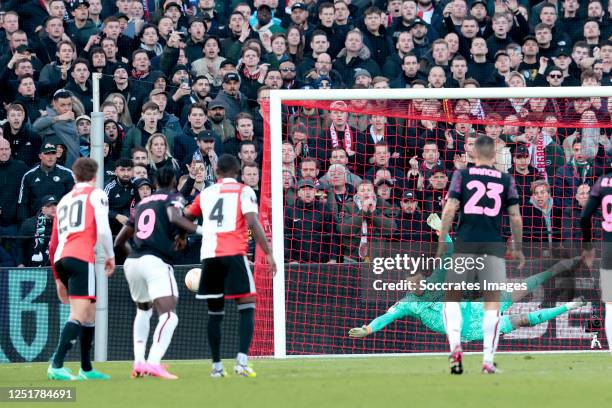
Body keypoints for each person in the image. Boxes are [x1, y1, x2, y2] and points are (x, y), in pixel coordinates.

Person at [350, 232, 585, 341]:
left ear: (422, 278)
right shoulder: (407, 304)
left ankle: (558, 272)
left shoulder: (435, 280)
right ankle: (569, 306)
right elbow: (385, 317)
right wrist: (369, 329)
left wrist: (442, 231)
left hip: (472, 309)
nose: (416, 283)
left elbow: (450, 252)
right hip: (466, 329)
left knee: (521, 290)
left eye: (418, 279)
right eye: (412, 281)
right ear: (409, 284)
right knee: (521, 319)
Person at [437, 135, 524, 374]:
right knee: (492, 304)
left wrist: (442, 239)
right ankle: (487, 360)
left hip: (465, 243)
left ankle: (455, 347)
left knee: (451, 298)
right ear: (494, 155)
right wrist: (518, 246)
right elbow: (515, 216)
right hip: (493, 246)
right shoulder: (506, 179)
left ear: (473, 153)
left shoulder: (462, 175)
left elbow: (450, 209)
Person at [184, 154, 276, 378]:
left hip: (209, 256)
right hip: (234, 253)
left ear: (216, 172)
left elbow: (186, 216)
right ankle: (241, 362)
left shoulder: (205, 193)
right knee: (247, 305)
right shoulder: (244, 191)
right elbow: (252, 222)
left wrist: (193, 232)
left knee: (215, 313)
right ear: (238, 171)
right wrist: (269, 252)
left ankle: (216, 367)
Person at [114, 166, 202, 380]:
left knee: (143, 311)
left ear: (154, 183)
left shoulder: (143, 203)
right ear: (174, 181)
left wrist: (137, 255)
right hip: (155, 262)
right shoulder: (173, 196)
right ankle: (153, 362)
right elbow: (174, 217)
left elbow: (119, 241)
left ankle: (139, 362)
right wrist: (202, 231)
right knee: (169, 316)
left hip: (132, 262)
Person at [47, 158, 115, 381]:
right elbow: (104, 230)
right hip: (80, 256)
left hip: (61, 258)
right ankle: (56, 364)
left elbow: (53, 242)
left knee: (90, 314)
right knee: (78, 314)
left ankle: (86, 368)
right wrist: (110, 255)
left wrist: (58, 278)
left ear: (74, 176)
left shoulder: (65, 200)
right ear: (95, 177)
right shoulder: (96, 195)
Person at [581, 170, 612, 354]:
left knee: (610, 303)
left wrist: (587, 246)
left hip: (609, 249)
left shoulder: (602, 182)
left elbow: (585, 217)